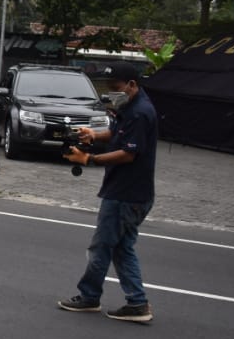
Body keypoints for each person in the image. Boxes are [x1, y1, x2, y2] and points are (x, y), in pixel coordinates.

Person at [58, 61, 159, 323]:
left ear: (131, 85)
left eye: (115, 87)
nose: (111, 92)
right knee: (122, 248)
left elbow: (128, 153)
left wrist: (88, 159)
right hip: (132, 192)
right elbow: (116, 134)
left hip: (125, 194)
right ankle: (137, 303)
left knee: (101, 247)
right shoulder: (130, 107)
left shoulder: (140, 113)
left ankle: (89, 296)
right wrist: (93, 134)